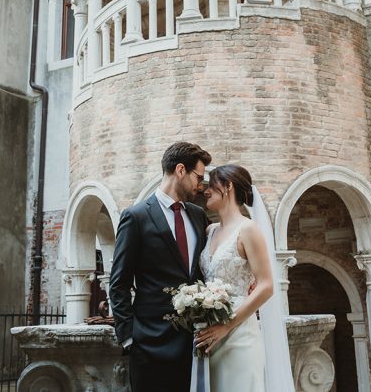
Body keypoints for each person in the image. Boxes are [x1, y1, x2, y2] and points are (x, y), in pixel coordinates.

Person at [109, 141, 211, 392]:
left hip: (193, 343)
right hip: (149, 344)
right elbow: (119, 282)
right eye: (198, 177)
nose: (201, 186)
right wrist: (129, 338)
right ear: (180, 170)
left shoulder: (198, 216)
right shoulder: (136, 216)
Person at [193, 164, 295, 392]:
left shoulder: (248, 230)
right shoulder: (210, 232)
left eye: (212, 186)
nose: (206, 191)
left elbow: (266, 285)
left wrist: (226, 325)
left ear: (228, 187)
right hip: (209, 333)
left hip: (238, 333)